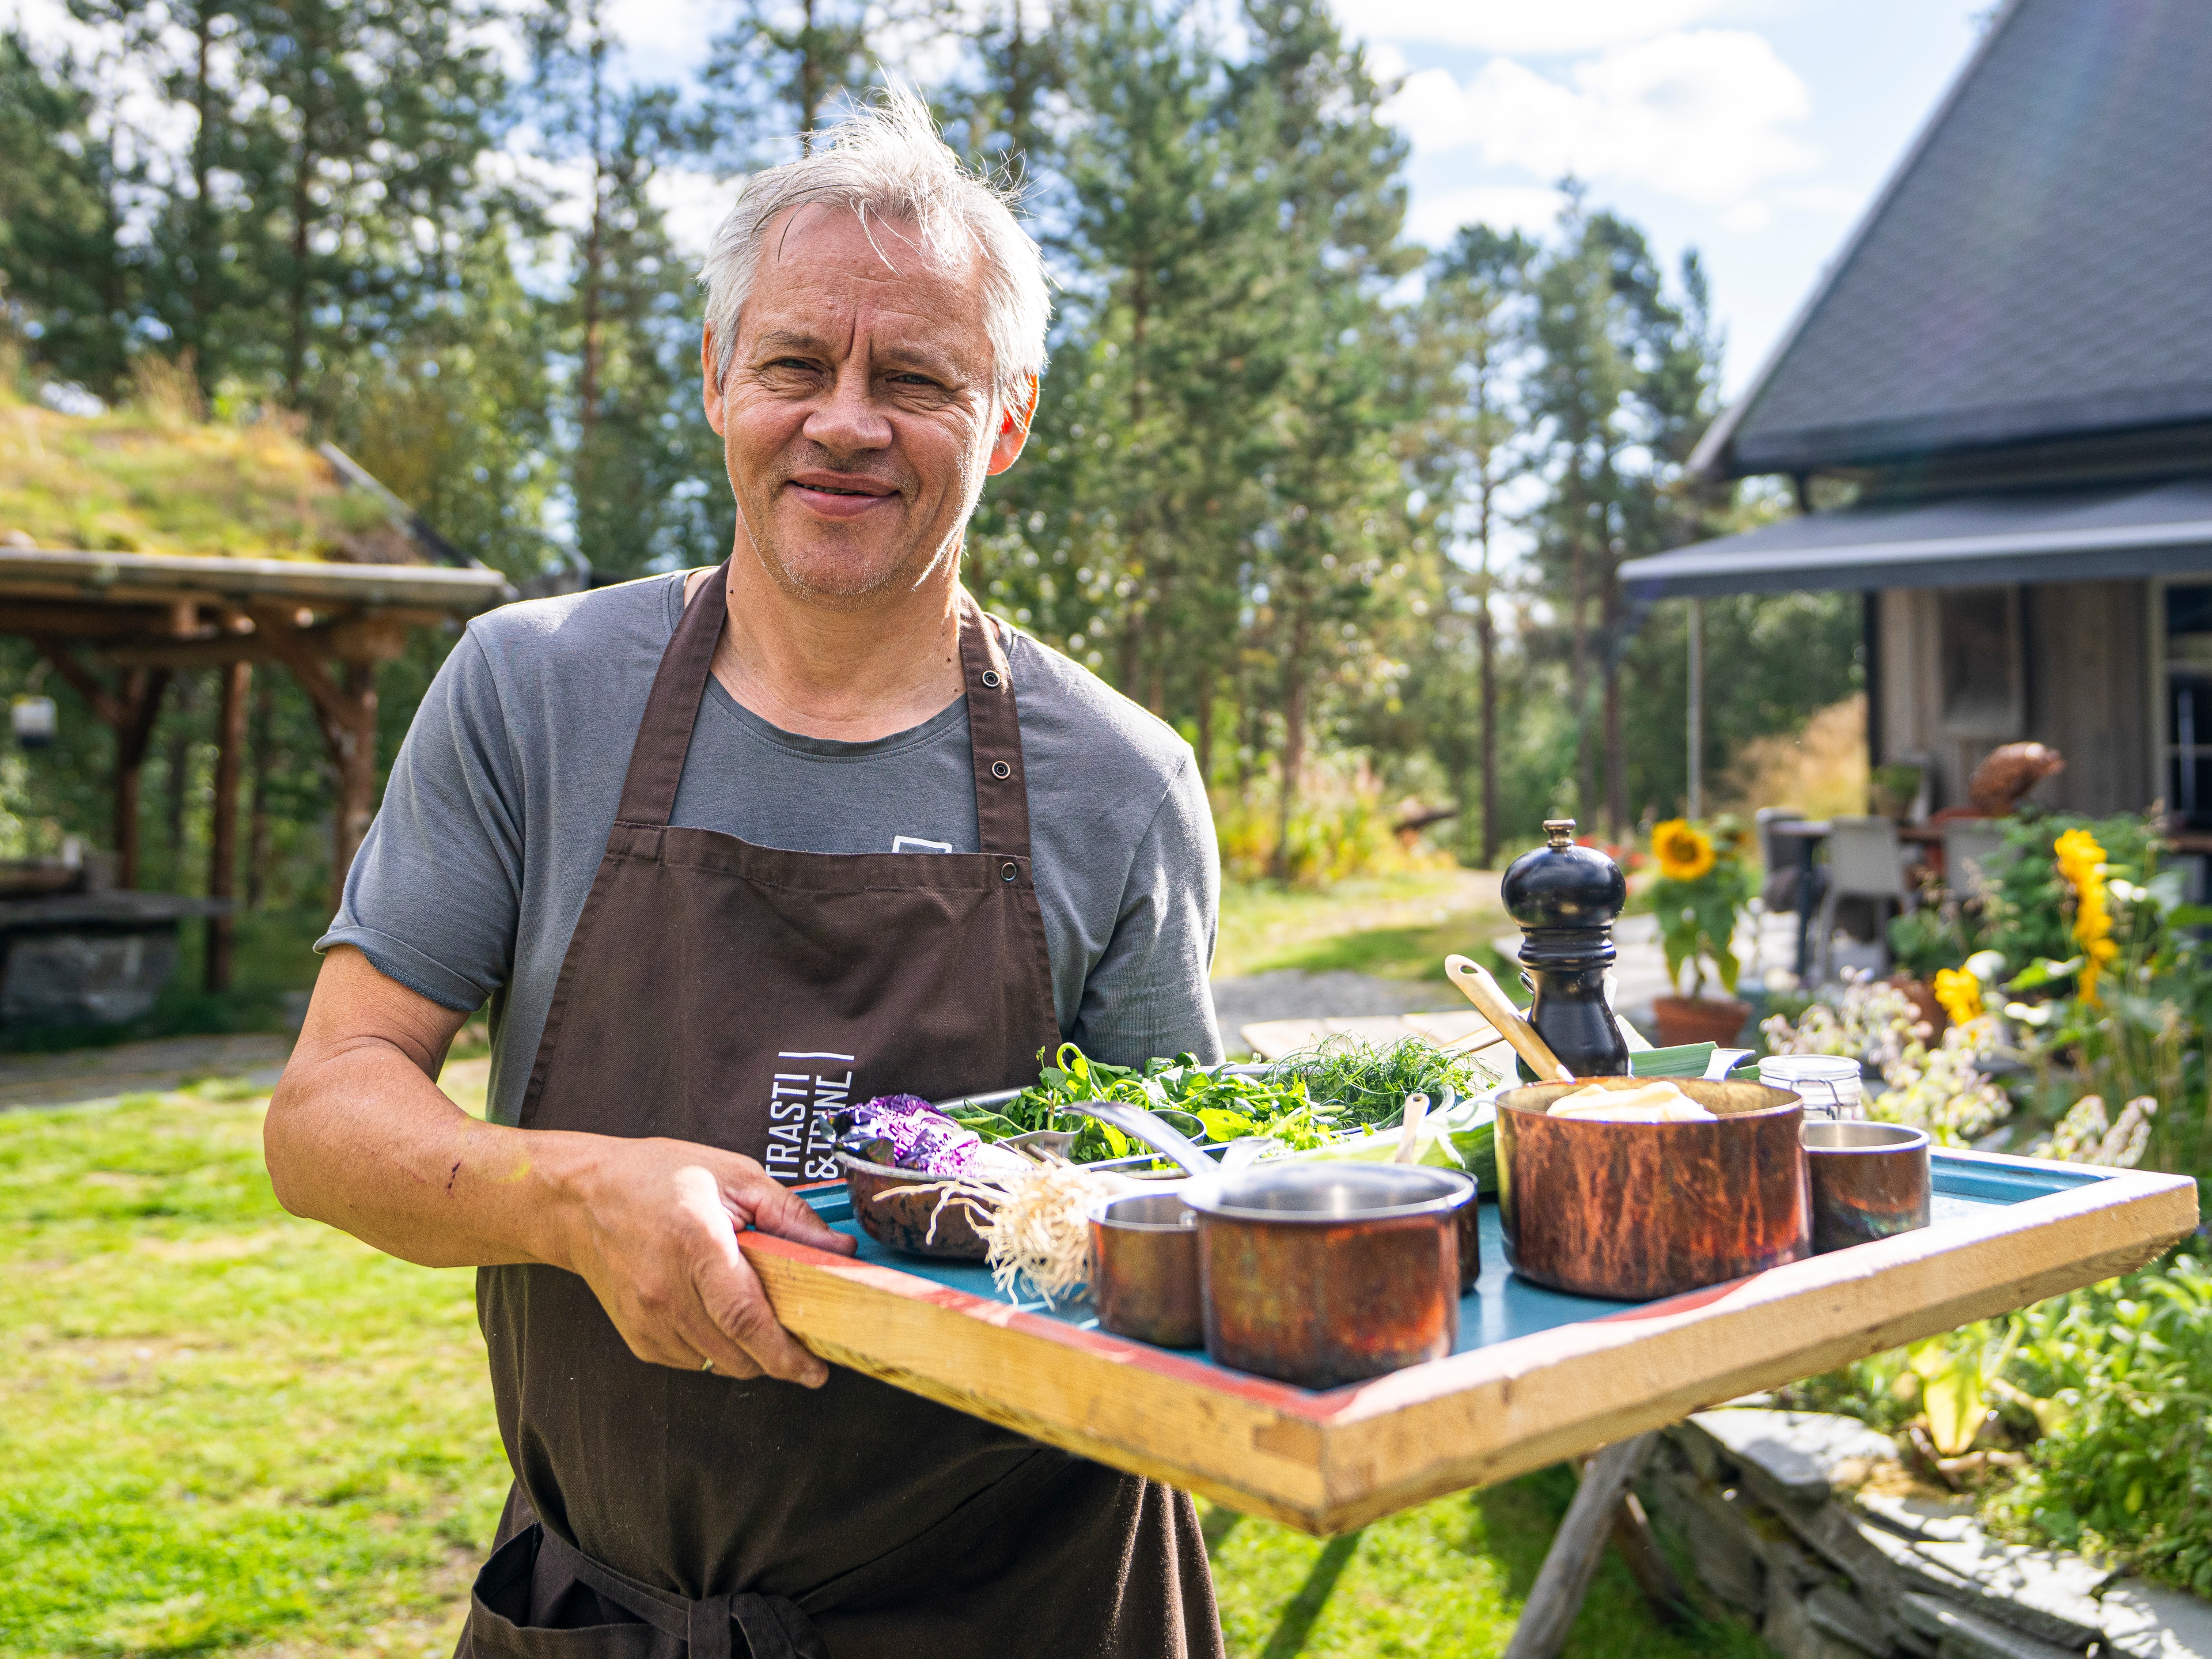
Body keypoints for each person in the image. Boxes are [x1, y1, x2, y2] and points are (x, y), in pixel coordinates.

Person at [266, 89, 1225, 1659]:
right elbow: (324, 1115)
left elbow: (1181, 1210)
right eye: (795, 362)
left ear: (1010, 418)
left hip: (1026, 1609)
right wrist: (574, 1199)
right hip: (611, 1611)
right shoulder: (534, 692)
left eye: (916, 376)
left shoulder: (1119, 777)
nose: (845, 420)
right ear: (717, 379)